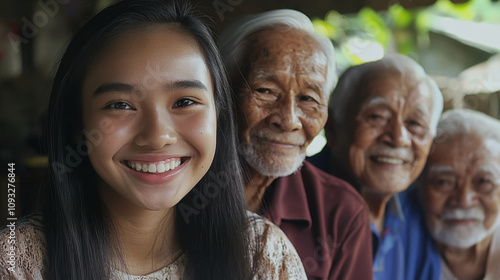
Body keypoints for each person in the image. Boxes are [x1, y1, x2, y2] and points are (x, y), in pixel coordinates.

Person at [0, 1, 307, 279]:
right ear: (77, 124)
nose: (158, 136)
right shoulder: (20, 264)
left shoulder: (264, 257)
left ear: (218, 116)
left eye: (185, 102)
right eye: (120, 104)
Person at [219, 9, 373, 280]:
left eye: (308, 98)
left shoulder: (340, 212)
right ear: (221, 92)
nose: (289, 120)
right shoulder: (174, 190)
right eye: (265, 91)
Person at [309, 54, 444, 280]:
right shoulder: (286, 200)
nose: (399, 138)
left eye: (415, 124)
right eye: (377, 117)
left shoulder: (422, 214)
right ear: (331, 127)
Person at [417, 108, 500, 280]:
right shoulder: (399, 253)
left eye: (484, 182)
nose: (464, 200)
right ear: (419, 186)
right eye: (444, 182)